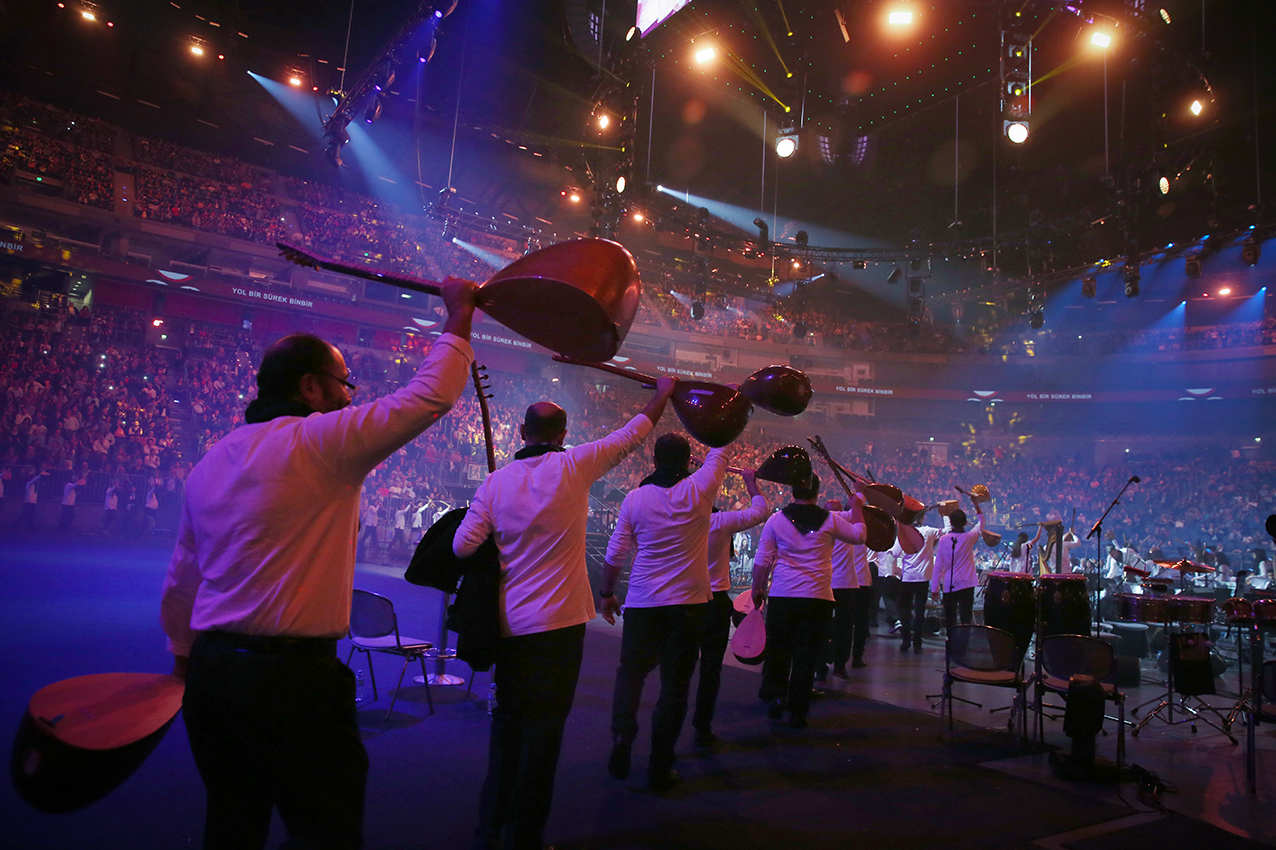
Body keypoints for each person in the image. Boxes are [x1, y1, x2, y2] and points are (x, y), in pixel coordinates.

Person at [160, 278, 478, 850]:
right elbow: (429, 396)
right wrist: (459, 315)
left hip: (213, 673)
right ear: (310, 386)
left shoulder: (211, 461)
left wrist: (184, 661)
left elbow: (184, 577)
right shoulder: (320, 441)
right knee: (326, 829)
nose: (350, 397)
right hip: (293, 680)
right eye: (344, 383)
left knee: (231, 825)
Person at [453, 377, 676, 850]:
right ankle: (525, 835)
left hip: (511, 625)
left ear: (521, 432)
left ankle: (490, 823)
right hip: (559, 627)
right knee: (545, 732)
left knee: (507, 723)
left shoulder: (495, 482)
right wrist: (663, 391)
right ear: (563, 435)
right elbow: (635, 432)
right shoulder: (575, 464)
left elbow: (462, 546)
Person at [599, 436, 730, 791]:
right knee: (675, 686)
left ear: (654, 460)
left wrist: (607, 593)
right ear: (689, 461)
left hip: (643, 602)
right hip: (688, 606)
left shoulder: (635, 498)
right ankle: (660, 765)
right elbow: (721, 447)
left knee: (631, 674)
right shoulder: (701, 489)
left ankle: (623, 735)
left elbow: (616, 552)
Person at [751, 475, 866, 728]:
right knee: (807, 655)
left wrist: (757, 587)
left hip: (783, 594)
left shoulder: (776, 519)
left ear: (793, 490)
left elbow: (763, 557)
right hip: (817, 597)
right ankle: (798, 711)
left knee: (779, 651)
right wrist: (857, 505)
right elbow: (859, 536)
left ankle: (776, 698)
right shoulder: (830, 520)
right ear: (817, 492)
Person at [691, 468, 769, 744]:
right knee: (711, 668)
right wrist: (750, 482)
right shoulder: (719, 521)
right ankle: (702, 724)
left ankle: (669, 722)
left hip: (684, 600)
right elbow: (761, 511)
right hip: (714, 601)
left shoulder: (677, 519)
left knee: (678, 665)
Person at [822, 498, 875, 675]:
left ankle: (821, 667)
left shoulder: (820, 528)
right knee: (847, 627)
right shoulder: (851, 530)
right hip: (846, 583)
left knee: (824, 625)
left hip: (826, 583)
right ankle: (842, 664)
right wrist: (859, 495)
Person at [930, 493, 986, 630]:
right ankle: (964, 639)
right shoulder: (969, 537)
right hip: (967, 583)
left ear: (951, 522)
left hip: (950, 583)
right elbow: (981, 523)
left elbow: (938, 566)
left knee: (950, 618)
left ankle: (951, 640)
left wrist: (935, 588)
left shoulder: (944, 539)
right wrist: (976, 504)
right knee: (965, 617)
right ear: (965, 522)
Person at [892, 510, 944, 655]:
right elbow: (946, 530)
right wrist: (944, 513)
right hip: (923, 578)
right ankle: (917, 643)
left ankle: (906, 640)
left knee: (905, 610)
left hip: (908, 577)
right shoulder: (929, 531)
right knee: (920, 611)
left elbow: (895, 553)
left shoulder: (904, 532)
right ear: (922, 518)